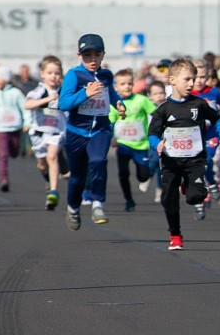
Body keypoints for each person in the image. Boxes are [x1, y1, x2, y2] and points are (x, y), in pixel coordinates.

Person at [148, 58, 220, 250]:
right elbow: (152, 133)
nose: (192, 83)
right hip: (171, 161)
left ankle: (191, 184)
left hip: (195, 159)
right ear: (172, 80)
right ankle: (175, 235)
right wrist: (157, 144)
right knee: (168, 199)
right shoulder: (164, 108)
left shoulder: (199, 104)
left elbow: (217, 120)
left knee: (195, 197)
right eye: (187, 79)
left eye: (193, 79)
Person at [58, 34, 127, 230]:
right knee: (78, 177)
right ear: (80, 55)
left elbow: (111, 94)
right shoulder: (74, 75)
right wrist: (85, 93)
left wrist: (118, 104)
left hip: (100, 130)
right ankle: (72, 208)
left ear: (103, 55)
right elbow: (63, 103)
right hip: (77, 132)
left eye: (97, 55)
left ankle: (98, 204)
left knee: (98, 161)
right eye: (87, 55)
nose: (93, 60)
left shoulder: (106, 75)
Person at [24, 56, 69, 209]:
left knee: (52, 156)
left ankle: (54, 192)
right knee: (42, 165)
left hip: (56, 132)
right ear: (43, 74)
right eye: (50, 73)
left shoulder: (64, 91)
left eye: (57, 73)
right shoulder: (40, 91)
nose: (53, 76)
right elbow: (28, 104)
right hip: (38, 132)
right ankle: (48, 180)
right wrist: (46, 100)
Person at [109, 68, 156, 213]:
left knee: (143, 176)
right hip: (123, 144)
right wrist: (112, 138)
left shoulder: (141, 100)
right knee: (123, 174)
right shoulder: (114, 104)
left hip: (141, 145)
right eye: (122, 84)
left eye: (129, 83)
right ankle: (129, 200)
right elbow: (110, 123)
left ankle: (145, 175)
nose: (127, 87)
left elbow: (156, 113)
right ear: (115, 87)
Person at [190, 59, 220, 206]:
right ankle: (210, 188)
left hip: (211, 134)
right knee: (196, 165)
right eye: (195, 77)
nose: (198, 81)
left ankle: (213, 187)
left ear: (208, 78)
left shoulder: (214, 92)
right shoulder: (186, 94)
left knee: (207, 159)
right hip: (192, 136)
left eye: (203, 77)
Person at [0, 66, 29, 192]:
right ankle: (4, 179)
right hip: (0, 128)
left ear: (5, 79)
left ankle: (15, 151)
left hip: (15, 127)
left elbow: (24, 107)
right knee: (2, 154)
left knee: (14, 151)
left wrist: (27, 122)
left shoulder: (16, 93)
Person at [146, 80, 167, 203]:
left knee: (162, 168)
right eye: (155, 94)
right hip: (150, 141)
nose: (158, 96)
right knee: (153, 162)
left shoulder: (167, 107)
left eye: (161, 93)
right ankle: (147, 177)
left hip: (163, 141)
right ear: (149, 96)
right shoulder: (146, 107)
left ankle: (160, 189)